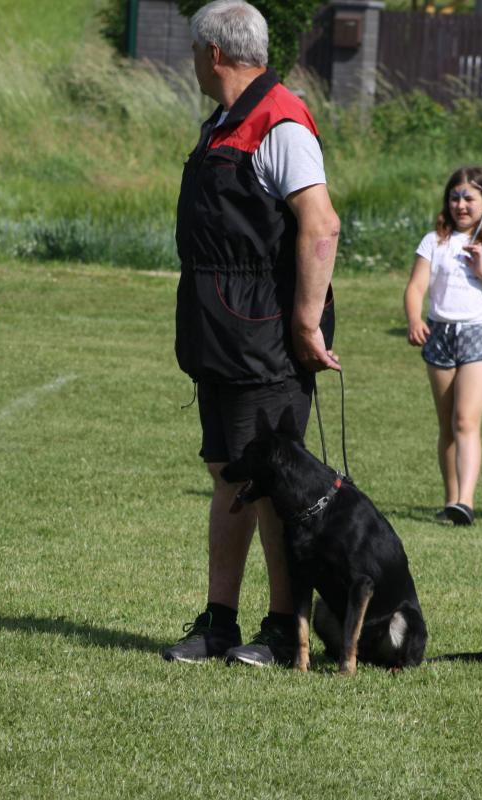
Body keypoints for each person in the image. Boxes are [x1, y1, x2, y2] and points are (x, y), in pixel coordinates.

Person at [162, 0, 341, 667]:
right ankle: (219, 622)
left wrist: (306, 320)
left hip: (263, 334)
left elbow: (320, 224)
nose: (192, 62)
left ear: (214, 53)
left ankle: (284, 629)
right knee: (227, 473)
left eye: (193, 52)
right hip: (221, 332)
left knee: (275, 485)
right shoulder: (225, 120)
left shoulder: (280, 122)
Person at [402, 166, 482, 526]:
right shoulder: (435, 241)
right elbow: (416, 287)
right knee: (447, 424)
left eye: (468, 198)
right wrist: (414, 319)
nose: (460, 205)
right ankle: (451, 501)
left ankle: (466, 501)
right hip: (440, 333)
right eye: (454, 197)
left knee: (465, 420)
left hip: (480, 332)